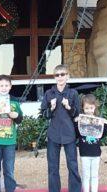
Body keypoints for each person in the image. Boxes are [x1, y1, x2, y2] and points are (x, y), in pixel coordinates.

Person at [41, 64, 81, 192]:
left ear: (67, 76)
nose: (60, 77)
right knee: (53, 167)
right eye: (57, 75)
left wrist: (69, 107)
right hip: (53, 134)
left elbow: (78, 115)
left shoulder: (73, 93)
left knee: (73, 166)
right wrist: (51, 108)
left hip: (69, 134)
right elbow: (44, 115)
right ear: (54, 77)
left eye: (62, 74)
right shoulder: (49, 93)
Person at [74, 95, 107, 192]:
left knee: (94, 175)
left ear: (95, 107)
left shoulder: (98, 121)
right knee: (86, 175)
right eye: (86, 108)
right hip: (84, 153)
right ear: (83, 108)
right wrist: (76, 123)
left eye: (91, 108)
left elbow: (103, 135)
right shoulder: (80, 120)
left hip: (96, 153)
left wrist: (105, 124)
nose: (89, 110)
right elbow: (76, 134)